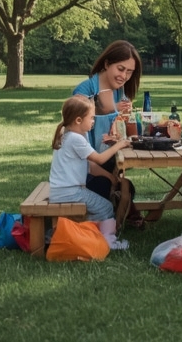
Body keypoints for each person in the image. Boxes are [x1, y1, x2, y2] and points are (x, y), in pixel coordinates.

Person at [71, 40, 144, 228]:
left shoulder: (120, 93)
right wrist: (112, 111)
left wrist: (130, 118)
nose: (124, 76)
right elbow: (77, 135)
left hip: (107, 160)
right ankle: (115, 214)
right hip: (82, 169)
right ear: (106, 64)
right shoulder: (84, 91)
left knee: (127, 188)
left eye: (129, 72)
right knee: (105, 187)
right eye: (121, 69)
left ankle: (120, 207)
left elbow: (127, 133)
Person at [49, 95, 131, 251]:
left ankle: (87, 233)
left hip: (61, 191)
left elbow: (90, 166)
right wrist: (119, 145)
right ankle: (108, 242)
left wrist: (110, 177)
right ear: (78, 120)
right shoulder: (75, 139)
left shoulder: (67, 134)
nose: (93, 121)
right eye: (91, 118)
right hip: (71, 192)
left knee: (98, 209)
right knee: (106, 208)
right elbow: (99, 159)